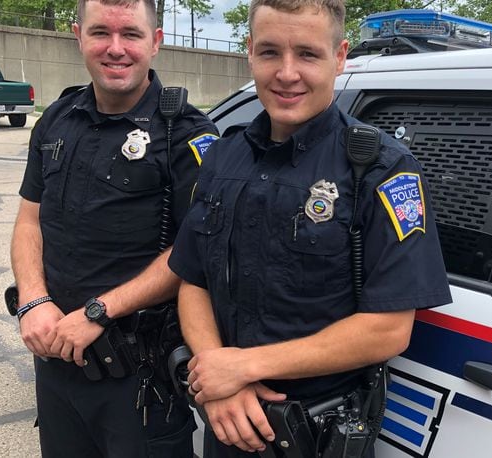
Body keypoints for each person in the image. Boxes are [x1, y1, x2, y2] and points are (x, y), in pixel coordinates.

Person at [167, 0, 453, 456]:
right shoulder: (224, 157)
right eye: (269, 52)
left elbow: (388, 330)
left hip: (315, 435)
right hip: (226, 423)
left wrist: (239, 368)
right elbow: (193, 278)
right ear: (249, 53)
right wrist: (216, 374)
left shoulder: (382, 171)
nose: (286, 73)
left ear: (340, 57)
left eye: (307, 53)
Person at [9, 0, 218, 456]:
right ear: (78, 34)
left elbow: (194, 252)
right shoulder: (56, 119)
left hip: (139, 380)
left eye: (132, 34)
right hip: (56, 363)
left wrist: (97, 312)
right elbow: (30, 219)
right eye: (101, 32)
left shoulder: (186, 135)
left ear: (156, 42)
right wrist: (32, 301)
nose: (116, 48)